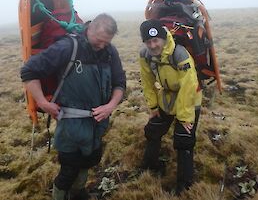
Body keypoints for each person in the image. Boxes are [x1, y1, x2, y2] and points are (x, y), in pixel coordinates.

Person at [20, 13, 126, 200]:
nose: (101, 46)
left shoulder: (110, 51)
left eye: (106, 42)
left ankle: (78, 193)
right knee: (69, 169)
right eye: (98, 41)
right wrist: (43, 103)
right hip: (71, 125)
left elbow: (119, 83)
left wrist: (110, 105)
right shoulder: (68, 47)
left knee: (89, 161)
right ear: (89, 29)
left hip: (98, 124)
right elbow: (29, 71)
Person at [139, 19, 202, 195]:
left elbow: (189, 86)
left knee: (184, 140)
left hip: (189, 99)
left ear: (163, 38)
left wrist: (184, 117)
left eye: (156, 40)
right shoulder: (145, 55)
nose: (153, 45)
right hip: (166, 97)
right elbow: (147, 81)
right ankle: (149, 166)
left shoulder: (179, 54)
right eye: (148, 41)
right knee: (153, 130)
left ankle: (184, 184)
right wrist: (152, 107)